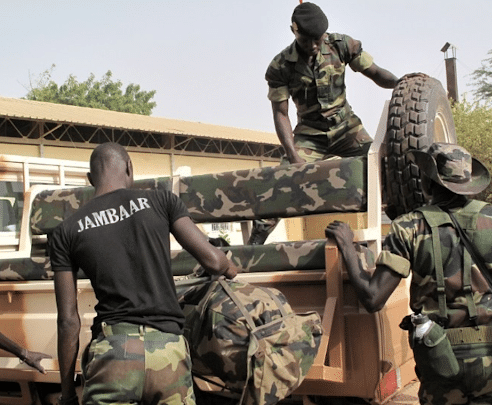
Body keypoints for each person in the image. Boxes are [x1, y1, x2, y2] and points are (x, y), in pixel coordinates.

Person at [50, 143, 238, 405]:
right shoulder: (161, 200)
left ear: (90, 179)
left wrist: (68, 393)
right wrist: (231, 268)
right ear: (130, 168)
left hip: (113, 357)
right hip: (168, 353)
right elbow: (215, 263)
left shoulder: (66, 231)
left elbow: (68, 321)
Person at [325, 143, 492, 404]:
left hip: (439, 361)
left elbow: (372, 298)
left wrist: (346, 246)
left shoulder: (409, 227)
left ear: (427, 181)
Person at [249, 1, 400, 245]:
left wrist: (401, 82)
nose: (313, 45)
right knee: (281, 179)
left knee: (383, 167)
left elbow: (375, 72)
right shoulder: (280, 66)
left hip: (347, 129)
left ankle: (404, 229)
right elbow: (280, 113)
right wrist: (293, 155)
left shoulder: (342, 45)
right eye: (306, 39)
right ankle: (254, 243)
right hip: (310, 135)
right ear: (294, 31)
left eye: (317, 39)